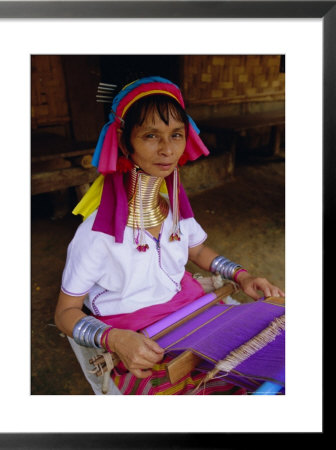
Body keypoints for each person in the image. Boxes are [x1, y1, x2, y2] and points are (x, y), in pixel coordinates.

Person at [55, 76, 285, 395]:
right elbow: (65, 312)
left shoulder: (173, 207)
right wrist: (114, 339)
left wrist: (242, 276)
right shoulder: (96, 233)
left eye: (176, 135)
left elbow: (198, 251)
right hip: (140, 333)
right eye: (151, 135)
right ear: (125, 143)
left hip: (193, 307)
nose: (167, 150)